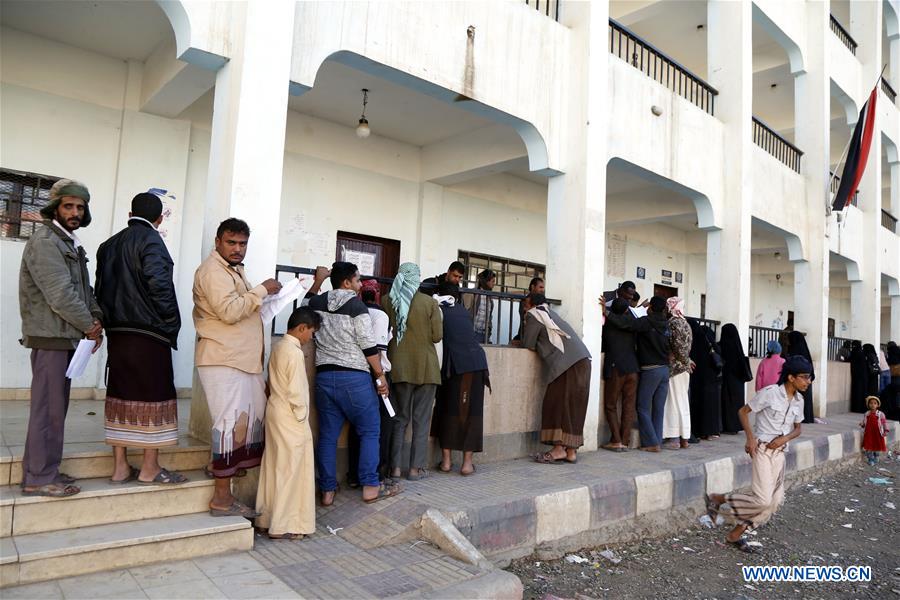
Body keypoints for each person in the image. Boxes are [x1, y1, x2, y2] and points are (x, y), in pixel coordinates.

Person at [18, 179, 103, 497]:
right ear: (55, 207)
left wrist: (96, 320)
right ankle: (38, 477)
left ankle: (46, 470)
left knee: (56, 410)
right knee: (46, 410)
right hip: (50, 338)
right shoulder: (45, 241)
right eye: (68, 206)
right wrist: (89, 326)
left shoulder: (68, 242)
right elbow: (61, 295)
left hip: (67, 336)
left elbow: (84, 290)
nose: (75, 212)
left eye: (80, 207)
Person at [95, 192, 186, 485]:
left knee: (120, 394)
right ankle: (149, 468)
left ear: (129, 214)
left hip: (118, 333)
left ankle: (120, 467)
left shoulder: (108, 245)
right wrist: (170, 325)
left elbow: (100, 290)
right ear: (159, 219)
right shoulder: (153, 242)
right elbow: (160, 287)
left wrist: (106, 324)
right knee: (154, 396)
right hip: (149, 334)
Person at [193, 218, 282, 518]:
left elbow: (242, 307)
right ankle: (221, 500)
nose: (237, 249)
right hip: (223, 358)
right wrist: (261, 290)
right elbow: (230, 312)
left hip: (240, 359)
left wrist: (263, 297)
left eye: (242, 244)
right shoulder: (213, 271)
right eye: (231, 243)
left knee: (243, 426)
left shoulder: (233, 270)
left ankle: (218, 468)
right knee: (229, 426)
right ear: (217, 242)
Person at [309, 262, 400, 504]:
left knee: (328, 436)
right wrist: (380, 376)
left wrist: (318, 281)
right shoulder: (357, 307)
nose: (360, 285)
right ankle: (370, 486)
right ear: (347, 282)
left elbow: (305, 309)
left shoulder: (317, 303)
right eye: (358, 280)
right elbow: (368, 346)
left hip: (324, 377)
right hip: (355, 378)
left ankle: (327, 490)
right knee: (370, 431)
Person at [705, 355, 812, 554]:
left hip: (780, 454)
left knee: (774, 502)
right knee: (763, 500)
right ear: (791, 377)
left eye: (810, 377)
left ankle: (735, 534)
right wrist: (750, 439)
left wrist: (784, 439)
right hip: (762, 450)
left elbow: (798, 429)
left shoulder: (799, 400)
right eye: (805, 377)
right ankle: (720, 499)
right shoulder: (770, 393)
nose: (808, 381)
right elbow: (743, 412)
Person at [255, 307, 321, 539]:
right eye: (311, 332)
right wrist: (302, 416)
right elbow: (296, 392)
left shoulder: (278, 346)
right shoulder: (293, 352)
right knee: (292, 470)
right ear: (302, 328)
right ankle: (283, 525)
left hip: (275, 410)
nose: (310, 337)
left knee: (274, 466)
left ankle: (265, 519)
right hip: (290, 415)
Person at [383, 262, 442, 481]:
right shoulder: (429, 303)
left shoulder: (387, 301)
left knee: (400, 419)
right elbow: (437, 336)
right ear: (416, 279)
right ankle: (416, 469)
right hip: (426, 368)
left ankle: (395, 468)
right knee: (421, 420)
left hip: (399, 366)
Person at [524, 294, 592, 464]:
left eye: (525, 304)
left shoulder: (534, 314)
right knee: (574, 407)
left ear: (531, 304)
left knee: (555, 404)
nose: (524, 308)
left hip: (567, 365)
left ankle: (558, 449)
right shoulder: (552, 314)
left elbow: (528, 343)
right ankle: (571, 451)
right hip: (583, 361)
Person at [432, 282, 491, 476]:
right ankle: (467, 465)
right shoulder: (462, 311)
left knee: (447, 410)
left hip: (455, 366)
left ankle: (446, 462)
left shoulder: (437, 309)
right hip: (476, 364)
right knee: (472, 413)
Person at [606, 296, 670, 452]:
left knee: (642, 407)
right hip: (665, 370)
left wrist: (607, 313)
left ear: (651, 308)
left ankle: (651, 444)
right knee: (658, 409)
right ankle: (657, 440)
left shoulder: (646, 322)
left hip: (651, 370)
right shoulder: (666, 324)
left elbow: (626, 323)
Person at [346, 278, 395, 485]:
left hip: (356, 373)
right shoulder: (380, 315)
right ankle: (376, 475)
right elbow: (378, 351)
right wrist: (381, 377)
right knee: (380, 426)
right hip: (375, 374)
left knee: (356, 425)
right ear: (377, 294)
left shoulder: (353, 312)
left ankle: (354, 475)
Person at [600, 298, 639, 451]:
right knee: (628, 406)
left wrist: (606, 312)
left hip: (616, 368)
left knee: (610, 405)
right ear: (626, 310)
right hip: (632, 368)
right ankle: (624, 440)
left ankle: (616, 440)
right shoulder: (631, 322)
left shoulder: (608, 324)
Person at [662, 297, 692, 449]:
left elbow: (678, 347)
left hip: (675, 368)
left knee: (673, 402)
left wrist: (684, 360)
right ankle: (684, 438)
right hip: (684, 368)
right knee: (682, 401)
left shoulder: (673, 323)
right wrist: (687, 361)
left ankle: (673, 438)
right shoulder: (685, 323)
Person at [687, 320, 723, 440]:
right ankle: (710, 431)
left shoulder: (693, 343)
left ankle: (698, 431)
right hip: (711, 380)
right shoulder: (709, 343)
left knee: (697, 404)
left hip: (697, 380)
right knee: (710, 406)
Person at [719, 324, 753, 435]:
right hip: (738, 381)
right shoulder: (738, 348)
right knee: (737, 403)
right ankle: (736, 425)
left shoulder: (721, 347)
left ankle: (727, 426)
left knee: (727, 403)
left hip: (727, 380)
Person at [786, 331, 815, 424]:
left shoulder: (794, 352)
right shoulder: (804, 351)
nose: (788, 342)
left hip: (798, 380)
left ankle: (800, 418)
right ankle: (807, 418)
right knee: (805, 399)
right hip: (806, 379)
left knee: (799, 399)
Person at [462, 269, 496, 343]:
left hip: (484, 334)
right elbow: (465, 312)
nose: (494, 284)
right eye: (492, 281)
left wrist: (489, 331)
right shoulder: (472, 294)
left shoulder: (489, 297)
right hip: (472, 333)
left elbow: (489, 316)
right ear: (486, 281)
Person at [859, 396, 890, 466]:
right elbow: (864, 423)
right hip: (869, 433)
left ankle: (876, 456)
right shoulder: (867, 413)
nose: (873, 405)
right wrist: (862, 424)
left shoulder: (881, 414)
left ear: (878, 405)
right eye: (871, 403)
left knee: (877, 446)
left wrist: (886, 430)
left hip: (877, 433)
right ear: (868, 405)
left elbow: (884, 423)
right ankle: (870, 459)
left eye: (875, 403)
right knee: (869, 446)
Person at [849, 340, 868, 413]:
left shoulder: (855, 352)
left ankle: (856, 408)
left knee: (857, 392)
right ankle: (861, 408)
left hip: (857, 377)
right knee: (862, 392)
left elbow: (850, 360)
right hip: (863, 376)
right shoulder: (862, 353)